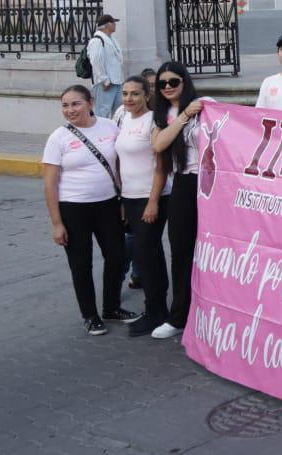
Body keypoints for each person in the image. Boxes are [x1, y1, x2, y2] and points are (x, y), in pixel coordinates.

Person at [41, 85, 139, 335]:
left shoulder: (109, 127)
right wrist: (57, 223)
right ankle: (90, 315)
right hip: (73, 209)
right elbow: (50, 184)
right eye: (65, 105)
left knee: (117, 257)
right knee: (80, 264)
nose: (70, 110)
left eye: (76, 104)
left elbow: (118, 167)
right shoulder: (58, 138)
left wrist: (123, 201)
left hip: (108, 205)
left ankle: (112, 307)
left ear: (90, 103)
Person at [150, 62, 204, 340]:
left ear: (185, 81)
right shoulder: (163, 114)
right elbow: (159, 145)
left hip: (212, 183)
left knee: (215, 250)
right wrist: (183, 115)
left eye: (174, 81)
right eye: (163, 83)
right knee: (181, 250)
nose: (169, 87)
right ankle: (179, 315)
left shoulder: (206, 105)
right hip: (183, 182)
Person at [112, 77, 169, 335]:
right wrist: (122, 200)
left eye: (135, 94)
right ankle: (157, 311)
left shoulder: (154, 122)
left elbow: (161, 166)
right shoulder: (123, 119)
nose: (128, 99)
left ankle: (156, 312)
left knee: (147, 254)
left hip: (151, 198)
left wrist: (153, 201)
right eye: (125, 93)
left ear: (147, 95)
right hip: (130, 198)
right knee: (147, 254)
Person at [85, 14, 124, 118]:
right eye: (113, 22)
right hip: (105, 83)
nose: (115, 25)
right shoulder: (97, 40)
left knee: (119, 111)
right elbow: (96, 61)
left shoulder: (111, 39)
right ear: (108, 25)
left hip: (116, 81)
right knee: (103, 111)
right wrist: (104, 80)